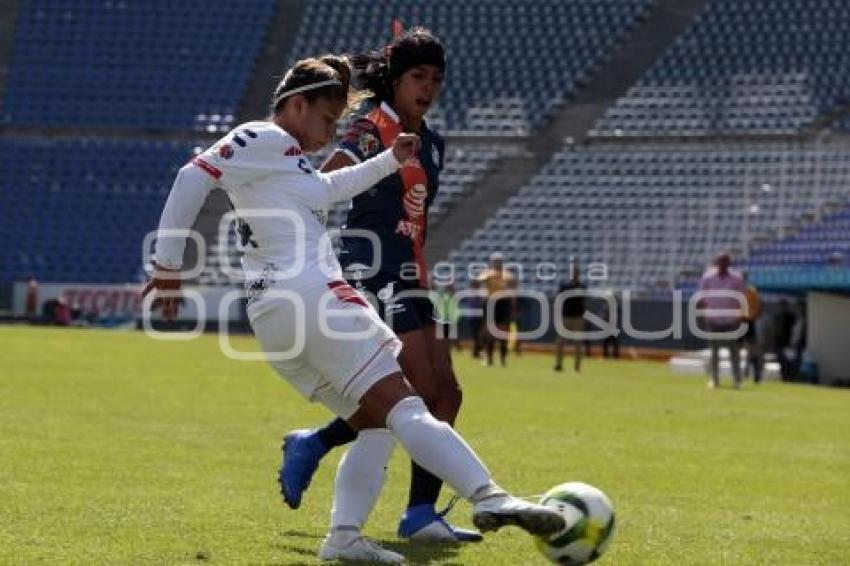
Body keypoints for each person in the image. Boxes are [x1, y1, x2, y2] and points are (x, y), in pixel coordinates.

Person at [143, 54, 564, 563]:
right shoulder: (265, 136)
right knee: (406, 405)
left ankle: (344, 536)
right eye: (326, 118)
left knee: (376, 422)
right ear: (297, 105)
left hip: (276, 318)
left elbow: (327, 188)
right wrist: (166, 266)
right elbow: (194, 175)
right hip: (312, 297)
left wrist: (391, 159)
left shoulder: (286, 161)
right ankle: (491, 497)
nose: (331, 132)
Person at [277, 28, 482, 544]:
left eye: (436, 78)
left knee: (449, 394)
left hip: (415, 272)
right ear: (394, 78)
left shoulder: (432, 142)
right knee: (420, 391)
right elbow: (322, 184)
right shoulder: (372, 128)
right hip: (373, 270)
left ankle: (419, 513)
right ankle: (320, 444)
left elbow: (417, 219)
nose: (429, 86)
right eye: (418, 76)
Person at [697, 252, 747, 388]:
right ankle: (715, 379)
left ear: (729, 263)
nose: (723, 265)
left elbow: (742, 298)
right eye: (720, 262)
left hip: (731, 320)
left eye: (725, 262)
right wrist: (702, 315)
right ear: (716, 263)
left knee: (734, 352)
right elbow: (701, 297)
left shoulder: (736, 279)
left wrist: (741, 318)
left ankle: (737, 380)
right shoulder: (708, 277)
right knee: (714, 352)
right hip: (713, 319)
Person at [479, 252, 516, 367]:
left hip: (503, 303)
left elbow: (512, 290)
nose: (497, 264)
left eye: (499, 262)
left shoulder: (507, 276)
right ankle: (489, 358)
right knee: (489, 332)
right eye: (496, 262)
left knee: (503, 332)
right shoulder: (488, 274)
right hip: (491, 303)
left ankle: (502, 359)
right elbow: (480, 281)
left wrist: (513, 307)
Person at [554, 264, 586, 372]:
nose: (574, 274)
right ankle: (558, 364)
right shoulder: (564, 286)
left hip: (577, 317)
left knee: (577, 343)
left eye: (576, 272)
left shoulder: (582, 286)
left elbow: (584, 302)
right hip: (566, 317)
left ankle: (577, 366)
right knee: (560, 342)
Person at [739, 272, 763, 383]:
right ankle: (740, 372)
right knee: (737, 349)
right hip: (739, 322)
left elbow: (759, 307)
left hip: (748, 322)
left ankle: (755, 373)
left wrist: (753, 317)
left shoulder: (751, 291)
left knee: (753, 350)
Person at [772, 298, 796, 382]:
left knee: (788, 362)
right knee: (781, 362)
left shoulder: (791, 317)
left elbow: (793, 330)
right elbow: (775, 330)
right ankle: (784, 377)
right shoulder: (777, 317)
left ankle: (789, 377)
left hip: (788, 343)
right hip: (779, 343)